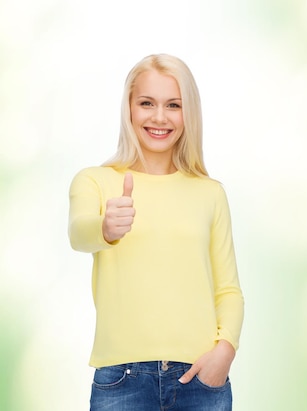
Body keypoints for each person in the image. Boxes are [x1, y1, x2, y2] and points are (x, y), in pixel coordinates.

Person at [68, 54, 244, 411]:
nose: (159, 117)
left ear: (188, 113)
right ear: (129, 108)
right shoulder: (96, 181)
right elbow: (78, 234)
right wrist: (105, 227)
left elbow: (228, 289)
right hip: (122, 380)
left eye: (173, 105)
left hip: (200, 380)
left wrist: (224, 352)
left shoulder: (210, 193)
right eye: (146, 103)